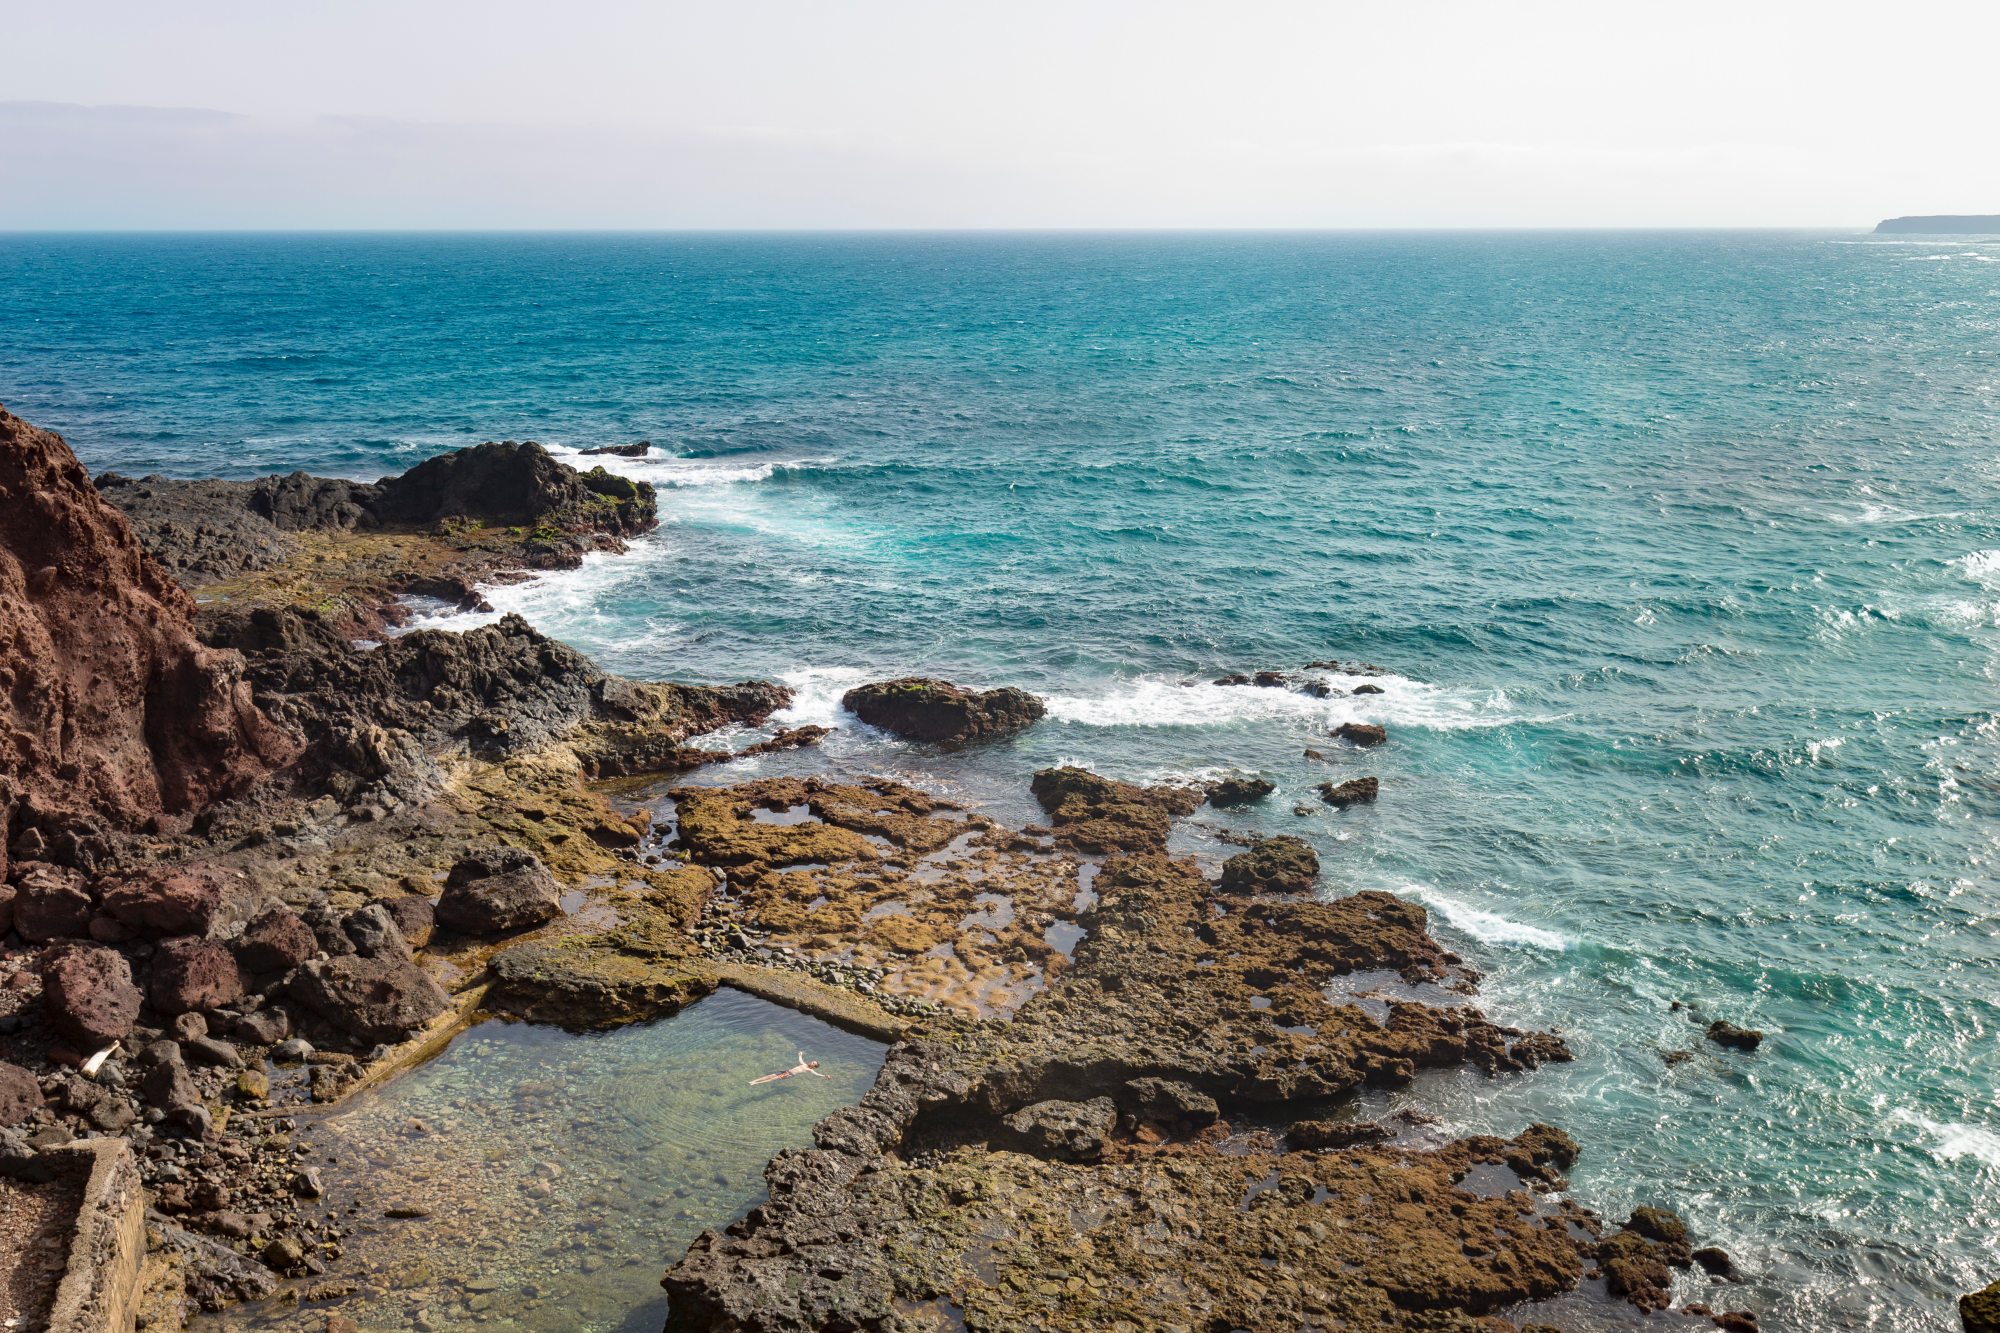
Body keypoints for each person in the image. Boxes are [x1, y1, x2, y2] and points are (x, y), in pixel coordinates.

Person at [750, 1052, 830, 1085]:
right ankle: (754, 1080)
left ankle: (755, 1083)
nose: (812, 1062)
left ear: (814, 1067)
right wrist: (800, 1055)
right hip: (786, 1071)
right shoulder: (804, 1064)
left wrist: (824, 1076)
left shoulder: (809, 1069)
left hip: (789, 1074)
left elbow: (816, 1074)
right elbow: (800, 1060)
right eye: (813, 1061)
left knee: (772, 1079)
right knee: (770, 1075)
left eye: (813, 1063)